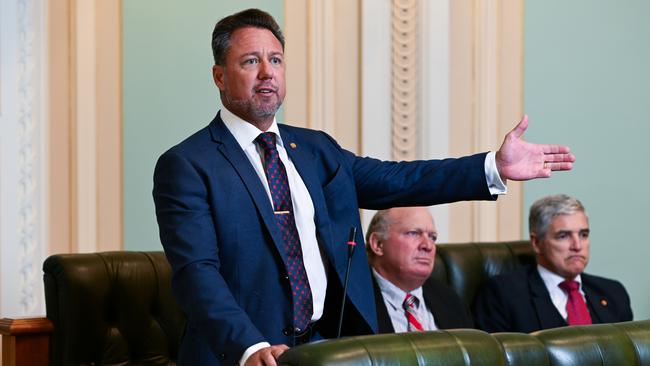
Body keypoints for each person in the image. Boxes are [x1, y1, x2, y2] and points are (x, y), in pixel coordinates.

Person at [152, 8, 575, 366]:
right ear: (219, 76)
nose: (267, 73)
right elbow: (196, 275)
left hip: (328, 348)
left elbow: (402, 180)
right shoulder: (188, 165)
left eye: (276, 60)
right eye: (250, 62)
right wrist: (249, 345)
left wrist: (491, 166)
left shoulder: (316, 150)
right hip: (242, 355)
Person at [473, 194, 632, 333]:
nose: (577, 246)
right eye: (563, 236)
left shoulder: (613, 293)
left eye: (583, 234)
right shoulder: (502, 294)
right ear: (536, 243)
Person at [366, 207, 473, 332]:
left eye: (432, 237)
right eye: (414, 233)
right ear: (378, 243)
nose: (427, 246)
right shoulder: (349, 305)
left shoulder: (450, 301)